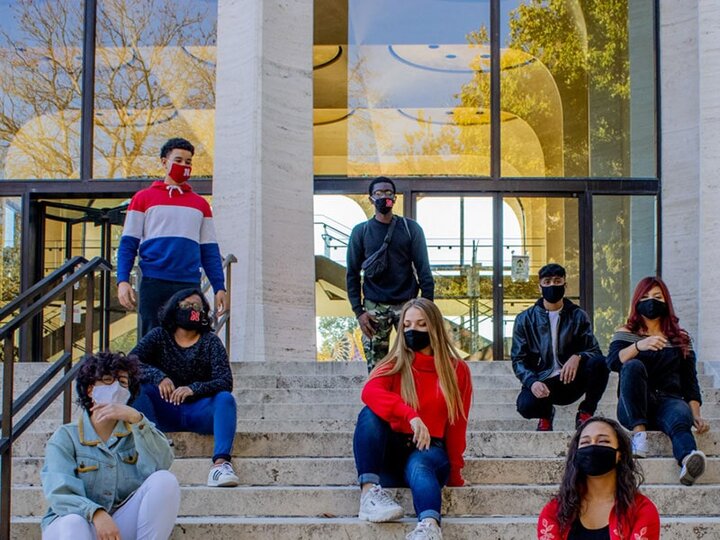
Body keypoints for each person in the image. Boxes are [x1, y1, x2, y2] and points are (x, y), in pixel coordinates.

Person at [353, 298, 472, 540]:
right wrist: (410, 415)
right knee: (369, 413)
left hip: (428, 451)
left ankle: (429, 527)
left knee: (420, 465)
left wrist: (456, 474)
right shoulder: (394, 363)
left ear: (434, 327)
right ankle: (369, 494)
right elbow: (370, 392)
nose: (411, 330)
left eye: (420, 324)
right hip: (390, 455)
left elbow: (457, 424)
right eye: (406, 325)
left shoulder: (456, 370)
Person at [41, 352, 180, 539]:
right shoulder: (66, 437)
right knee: (74, 523)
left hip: (119, 525)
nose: (116, 388)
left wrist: (136, 419)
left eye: (123, 382)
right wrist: (96, 513)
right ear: (90, 389)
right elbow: (60, 492)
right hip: (71, 525)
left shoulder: (136, 431)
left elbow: (162, 462)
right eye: (107, 380)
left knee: (165, 480)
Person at [116, 137, 227, 337]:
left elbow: (209, 249)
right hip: (154, 282)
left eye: (188, 162)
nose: (184, 165)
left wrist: (219, 286)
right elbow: (128, 244)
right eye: (178, 160)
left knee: (191, 337)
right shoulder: (143, 199)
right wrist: (122, 280)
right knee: (152, 339)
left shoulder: (200, 204)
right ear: (164, 162)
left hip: (189, 285)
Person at [130, 288, 240, 487]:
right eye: (186, 306)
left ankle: (220, 465)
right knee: (139, 388)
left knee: (225, 399)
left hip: (198, 412)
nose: (192, 310)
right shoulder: (159, 336)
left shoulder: (211, 342)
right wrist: (159, 377)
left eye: (197, 307)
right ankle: (153, 448)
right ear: (175, 308)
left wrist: (193, 389)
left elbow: (225, 380)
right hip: (165, 410)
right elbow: (131, 363)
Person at [606, 276, 709, 486]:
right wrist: (639, 346)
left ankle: (688, 459)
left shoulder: (680, 339)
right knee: (633, 366)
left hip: (668, 401)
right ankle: (639, 437)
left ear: (666, 301)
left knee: (681, 418)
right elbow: (612, 362)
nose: (651, 301)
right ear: (636, 302)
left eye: (657, 296)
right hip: (633, 406)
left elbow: (690, 382)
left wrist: (696, 414)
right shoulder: (625, 333)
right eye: (645, 297)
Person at [346, 177, 434, 373]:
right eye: (378, 193)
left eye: (387, 193)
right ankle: (379, 404)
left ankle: (415, 401)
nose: (383, 197)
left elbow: (424, 271)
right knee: (377, 367)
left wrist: (426, 308)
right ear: (371, 199)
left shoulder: (411, 229)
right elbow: (352, 274)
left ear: (394, 198)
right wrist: (359, 312)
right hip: (374, 307)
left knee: (417, 359)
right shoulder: (361, 232)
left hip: (407, 305)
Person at [512, 263, 609, 431]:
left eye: (557, 281)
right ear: (539, 286)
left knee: (601, 363)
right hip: (544, 381)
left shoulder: (578, 315)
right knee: (525, 406)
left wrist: (578, 356)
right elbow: (519, 359)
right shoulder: (525, 319)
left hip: (572, 380)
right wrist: (532, 381)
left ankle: (586, 412)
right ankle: (546, 414)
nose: (552, 285)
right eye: (547, 281)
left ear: (565, 284)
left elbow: (594, 351)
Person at [537, 416, 660, 540]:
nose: (593, 447)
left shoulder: (642, 510)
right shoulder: (554, 511)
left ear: (619, 454)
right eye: (585, 442)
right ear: (576, 454)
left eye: (603, 441)